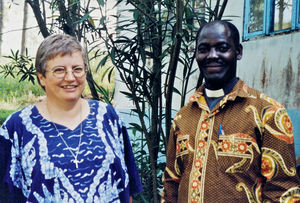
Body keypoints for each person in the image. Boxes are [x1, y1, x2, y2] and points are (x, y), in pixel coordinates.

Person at [162, 20, 300, 202]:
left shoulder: (267, 113)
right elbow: (171, 184)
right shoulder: (183, 117)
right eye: (203, 49)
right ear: (196, 55)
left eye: (222, 48)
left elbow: (282, 191)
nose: (212, 55)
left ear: (238, 52)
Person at [0, 34, 143, 202]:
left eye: (77, 69)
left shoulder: (108, 117)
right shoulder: (17, 127)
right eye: (59, 70)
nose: (70, 77)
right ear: (41, 77)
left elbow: (126, 188)